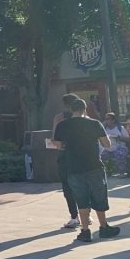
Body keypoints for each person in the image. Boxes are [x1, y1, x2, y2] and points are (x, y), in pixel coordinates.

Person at [52, 98, 121, 243]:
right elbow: (107, 144)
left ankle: (85, 231)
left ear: (71, 109)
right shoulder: (94, 123)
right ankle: (103, 227)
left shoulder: (62, 125)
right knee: (99, 196)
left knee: (81, 199)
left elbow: (58, 147)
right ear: (85, 109)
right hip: (94, 165)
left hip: (73, 166)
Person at [52, 93, 82, 228]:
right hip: (82, 155)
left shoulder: (60, 118)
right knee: (83, 185)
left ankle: (74, 216)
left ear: (65, 105)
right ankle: (85, 213)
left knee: (68, 186)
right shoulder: (85, 118)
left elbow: (55, 140)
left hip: (65, 155)